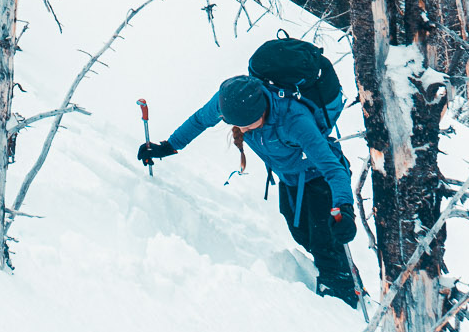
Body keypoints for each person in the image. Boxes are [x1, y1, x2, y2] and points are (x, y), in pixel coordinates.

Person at [137, 75, 359, 307]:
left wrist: (344, 207)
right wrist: (169, 146)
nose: (242, 129)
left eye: (248, 124)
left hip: (322, 178)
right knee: (303, 235)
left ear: (262, 111)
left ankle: (343, 301)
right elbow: (200, 120)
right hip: (290, 179)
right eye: (238, 124)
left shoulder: (294, 120)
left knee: (326, 243)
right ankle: (343, 278)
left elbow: (333, 169)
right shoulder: (230, 101)